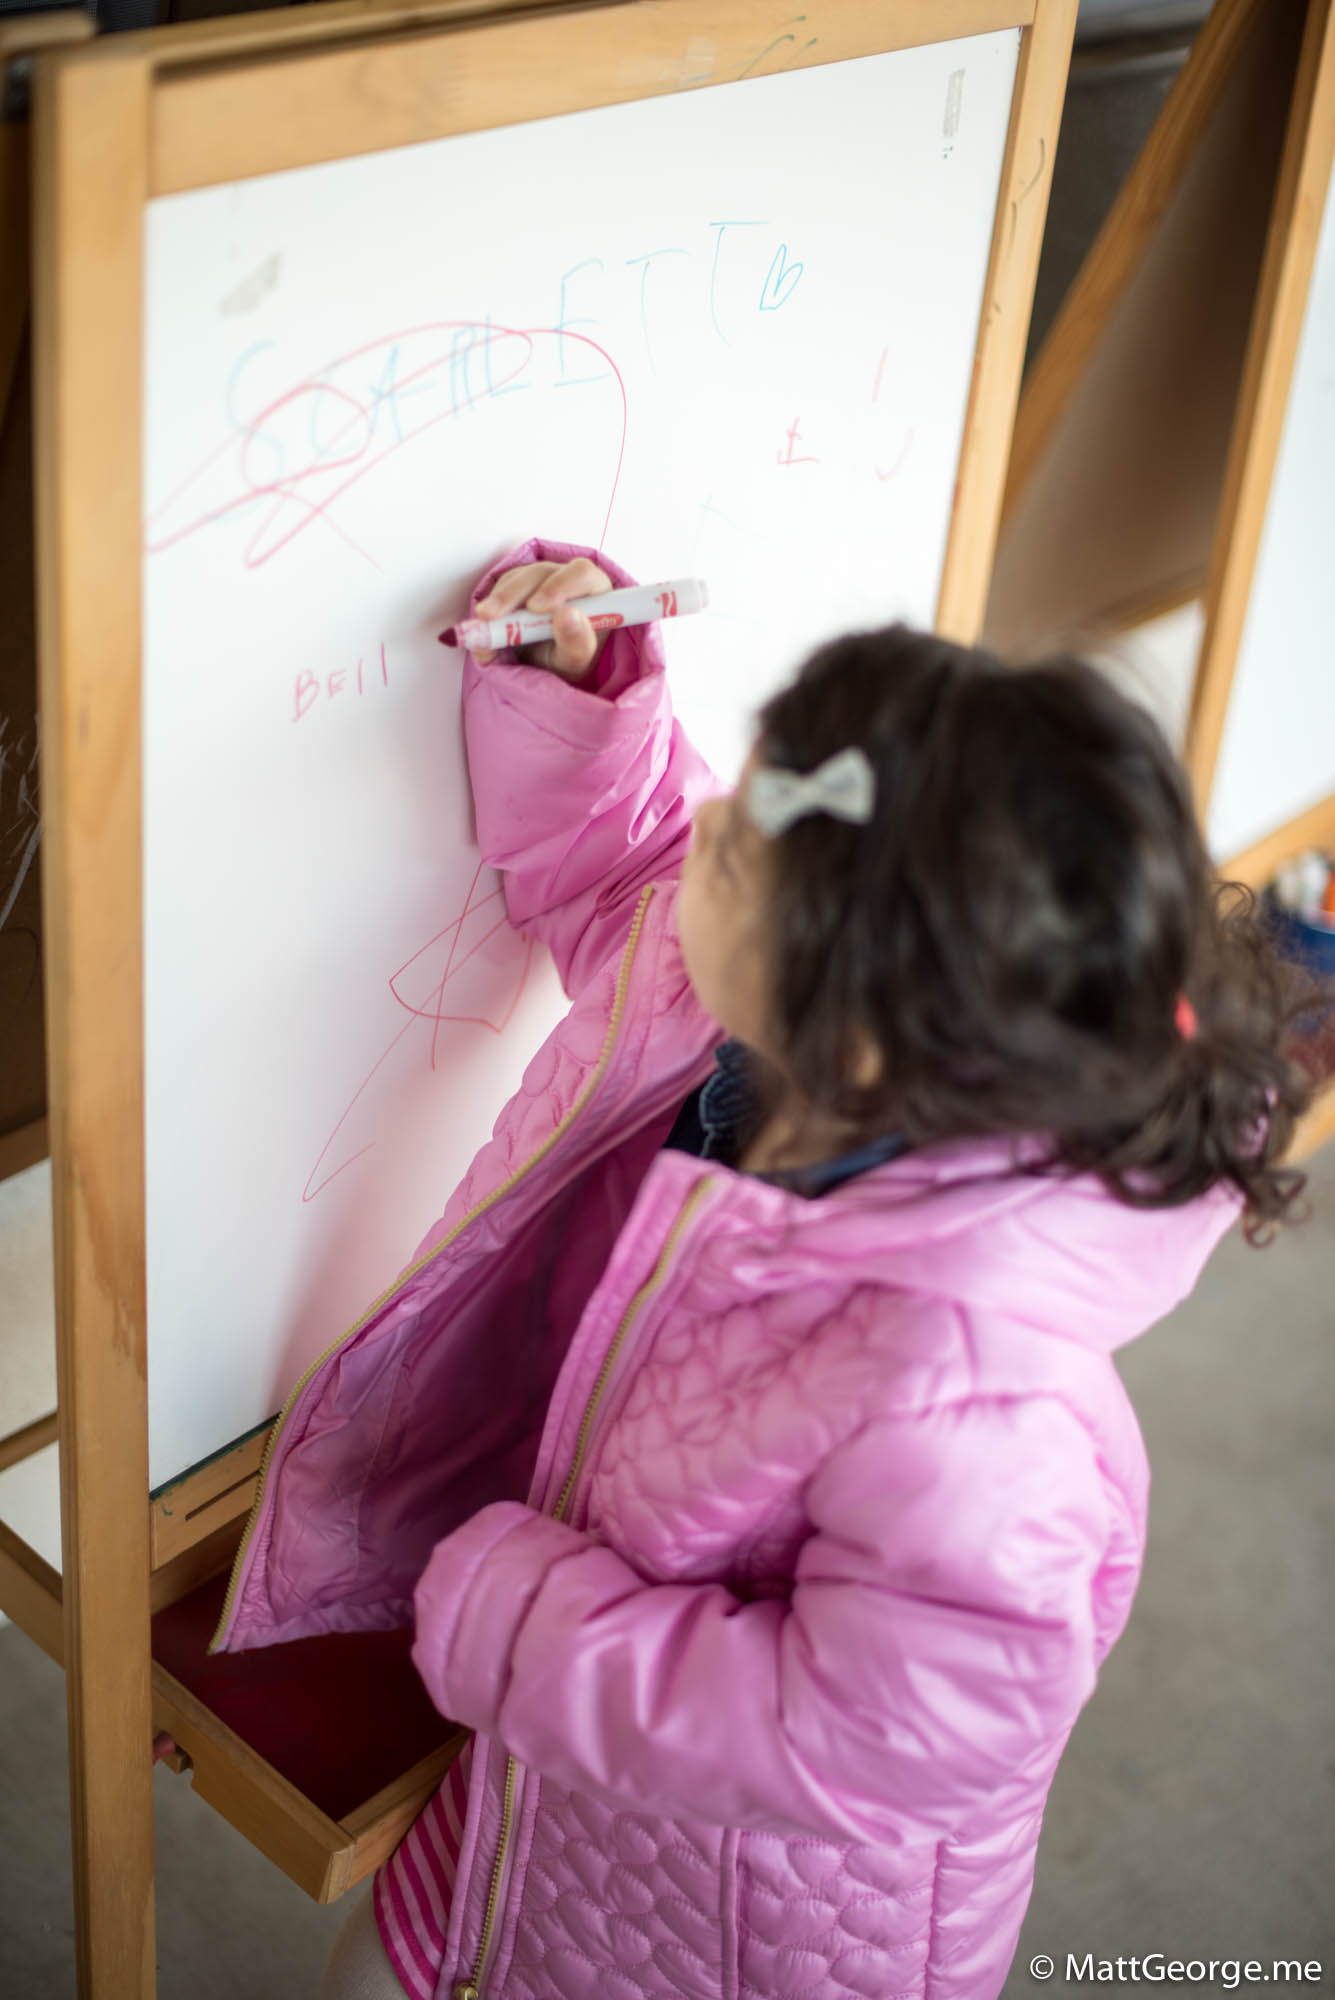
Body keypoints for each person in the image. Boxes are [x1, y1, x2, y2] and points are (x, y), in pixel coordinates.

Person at [219, 540, 1309, 2000]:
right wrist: (584, 695)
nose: (717, 822)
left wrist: (520, 1627)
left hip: (740, 1935)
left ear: (846, 1025)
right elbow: (634, 867)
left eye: (748, 844)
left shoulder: (984, 1410)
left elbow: (871, 1739)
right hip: (544, 1808)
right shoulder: (771, 1015)